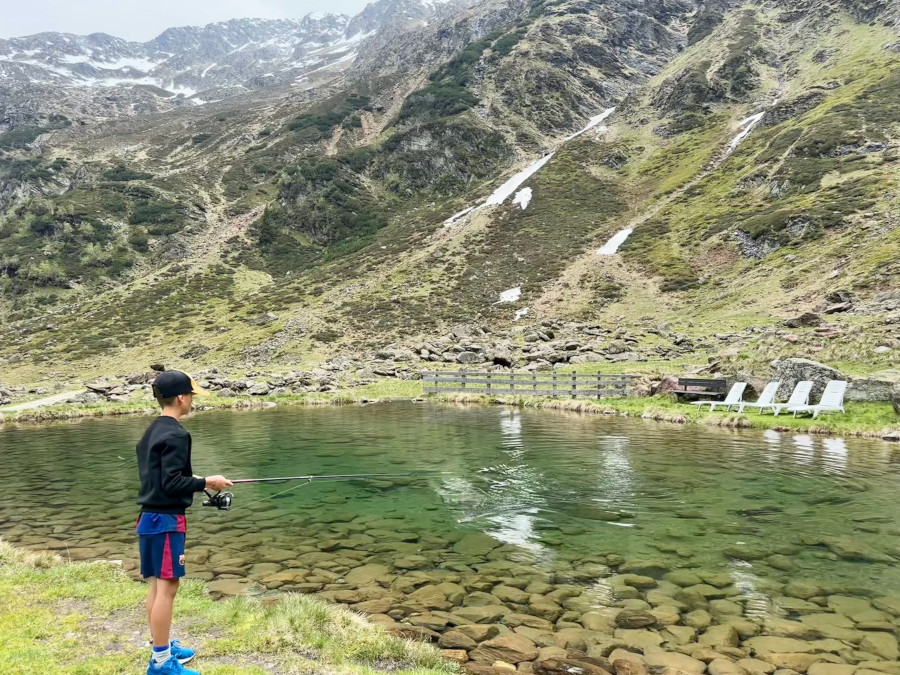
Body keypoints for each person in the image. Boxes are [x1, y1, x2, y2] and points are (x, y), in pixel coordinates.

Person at [136, 370, 232, 675]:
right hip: (166, 520)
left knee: (156, 583)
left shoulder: (152, 431)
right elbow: (173, 482)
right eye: (191, 395)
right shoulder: (177, 434)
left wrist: (201, 482)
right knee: (168, 587)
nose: (192, 400)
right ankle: (161, 663)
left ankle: (159, 644)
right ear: (180, 397)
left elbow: (162, 478)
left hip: (149, 517)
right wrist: (207, 480)